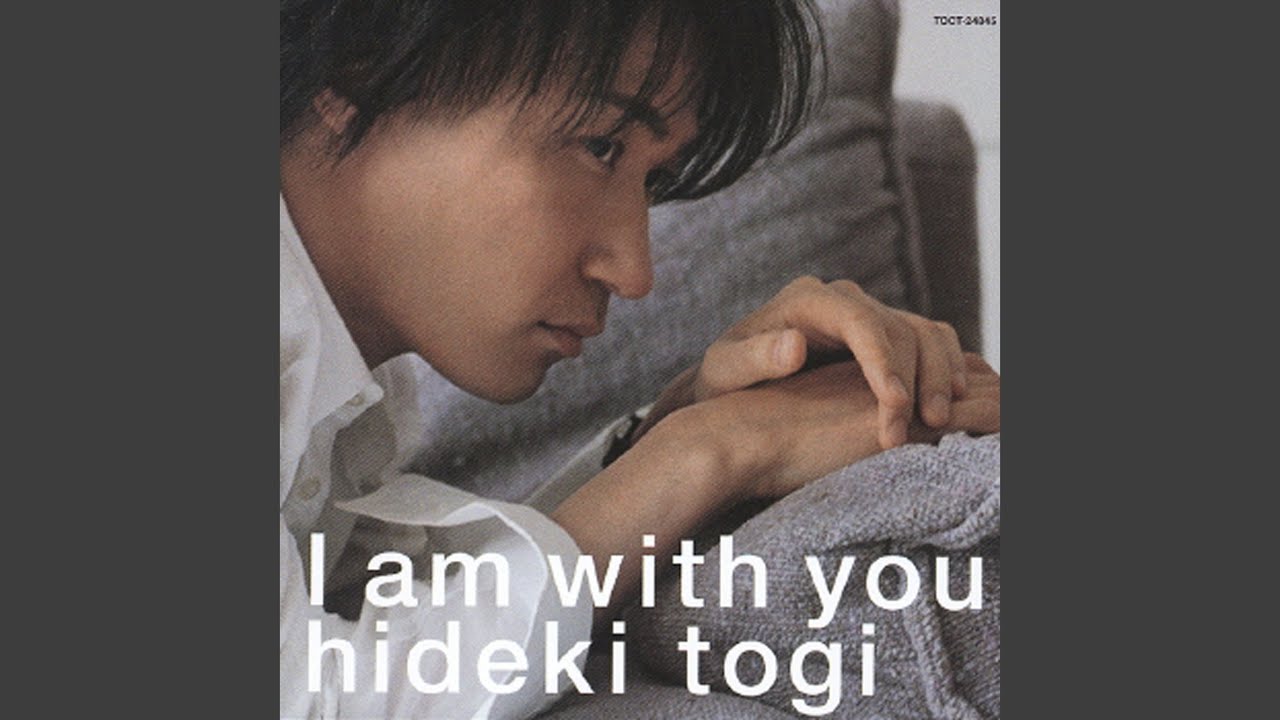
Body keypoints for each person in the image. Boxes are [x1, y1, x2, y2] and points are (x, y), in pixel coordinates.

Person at [279, 1, 1001, 717]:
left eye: (650, 181)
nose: (634, 271)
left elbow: (400, 611)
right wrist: (713, 450)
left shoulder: (342, 379)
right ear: (360, 68)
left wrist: (678, 427)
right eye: (601, 147)